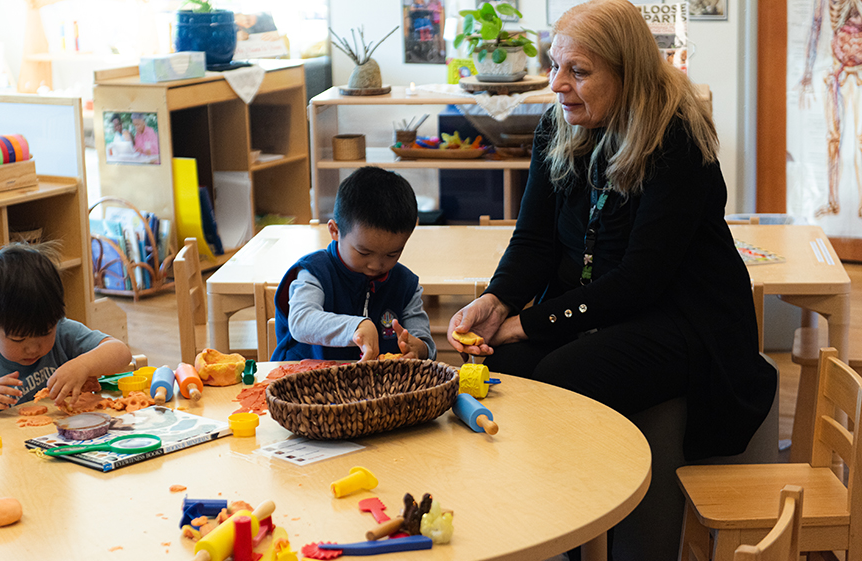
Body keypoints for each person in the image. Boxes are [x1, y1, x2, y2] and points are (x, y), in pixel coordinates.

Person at [447, 0, 775, 463]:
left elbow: (640, 281)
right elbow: (534, 240)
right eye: (556, 66)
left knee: (567, 372)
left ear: (629, 75)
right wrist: (498, 301)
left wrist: (529, 324)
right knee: (504, 366)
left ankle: (589, 524)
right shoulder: (557, 125)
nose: (558, 84)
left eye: (578, 71)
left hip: (681, 319)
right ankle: (534, 502)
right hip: (599, 306)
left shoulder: (675, 140)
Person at [0, 243, 133, 436]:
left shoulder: (63, 332)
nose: (33, 349)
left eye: (45, 333)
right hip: (5, 458)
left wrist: (84, 365)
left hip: (65, 444)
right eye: (18, 339)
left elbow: (120, 352)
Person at [271, 166, 435, 362]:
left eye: (392, 254)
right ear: (335, 231)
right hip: (305, 383)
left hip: (377, 387)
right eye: (364, 252)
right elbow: (301, 321)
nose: (376, 265)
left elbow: (423, 342)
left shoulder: (405, 284)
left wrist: (419, 349)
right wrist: (355, 327)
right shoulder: (315, 272)